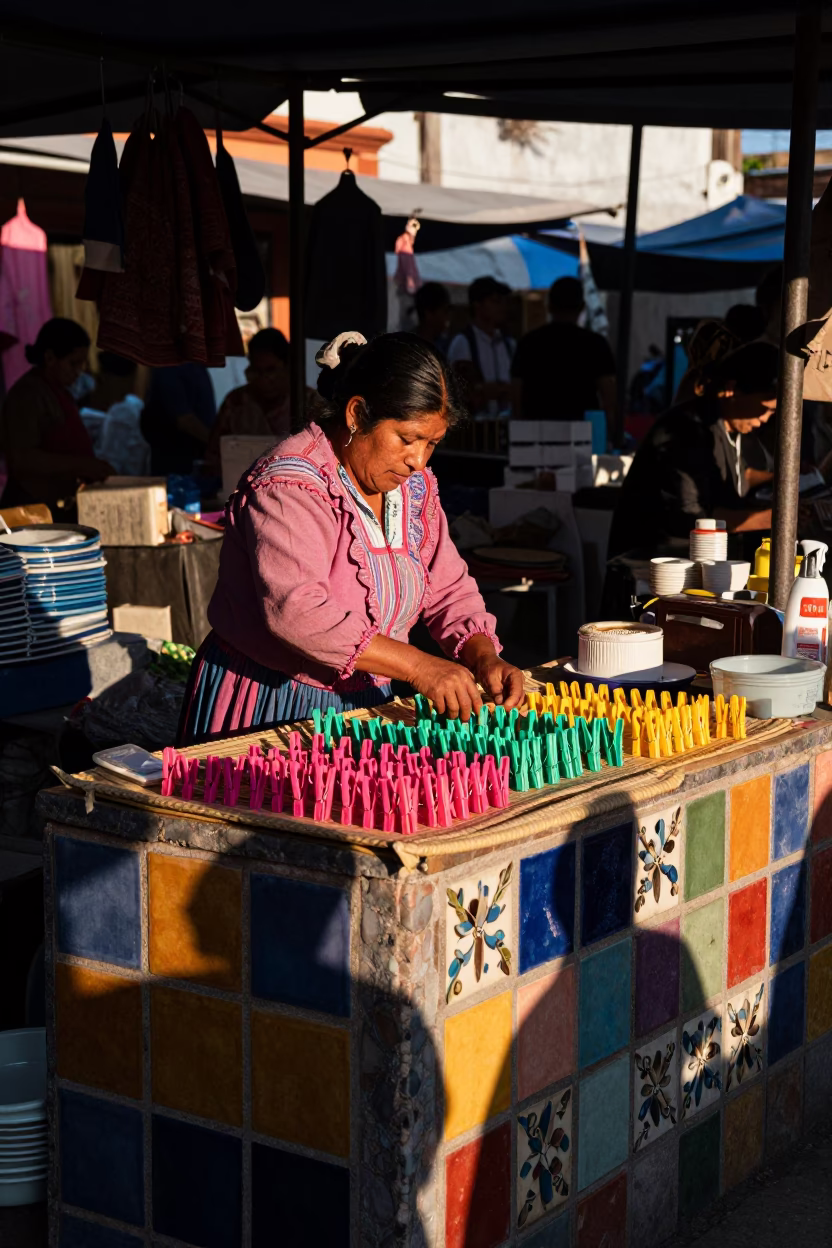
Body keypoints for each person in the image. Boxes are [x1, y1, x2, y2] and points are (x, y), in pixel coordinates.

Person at [177, 331, 525, 746]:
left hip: (364, 705)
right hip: (272, 707)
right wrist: (418, 666)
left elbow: (448, 588)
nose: (418, 460)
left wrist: (484, 654)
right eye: (407, 438)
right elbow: (299, 613)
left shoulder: (414, 489)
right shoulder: (290, 485)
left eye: (431, 443)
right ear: (357, 414)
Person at [608, 341, 779, 558]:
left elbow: (737, 476)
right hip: (654, 563)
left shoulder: (724, 425)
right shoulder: (685, 432)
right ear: (731, 390)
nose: (766, 417)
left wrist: (784, 480)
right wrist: (774, 519)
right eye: (767, 408)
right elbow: (693, 517)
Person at [0, 318, 114, 517]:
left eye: (82, 364)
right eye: (73, 363)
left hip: (58, 506)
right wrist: (83, 464)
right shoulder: (27, 394)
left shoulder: (58, 391)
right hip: (31, 512)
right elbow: (23, 458)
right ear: (50, 358)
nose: (79, 371)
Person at [511, 276, 616, 431]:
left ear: (549, 307)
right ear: (582, 307)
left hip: (535, 436)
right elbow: (609, 398)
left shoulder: (528, 343)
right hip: (581, 438)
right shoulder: (595, 344)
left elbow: (516, 398)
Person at [205, 329, 297, 474]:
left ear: (287, 368)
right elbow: (213, 457)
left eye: (271, 370)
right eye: (257, 371)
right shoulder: (235, 403)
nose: (263, 379)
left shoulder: (306, 401)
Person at [447, 276, 513, 419]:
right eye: (495, 301)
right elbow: (464, 392)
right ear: (477, 305)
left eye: (503, 302)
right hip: (475, 430)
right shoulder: (463, 342)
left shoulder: (509, 344)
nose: (501, 307)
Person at [140, 362, 216, 477]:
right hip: (177, 464)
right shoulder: (170, 367)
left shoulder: (196, 367)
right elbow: (184, 420)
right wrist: (219, 445)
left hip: (197, 459)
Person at [413, 282, 451, 352]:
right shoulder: (409, 347)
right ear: (428, 314)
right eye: (445, 311)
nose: (448, 317)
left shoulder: (446, 346)